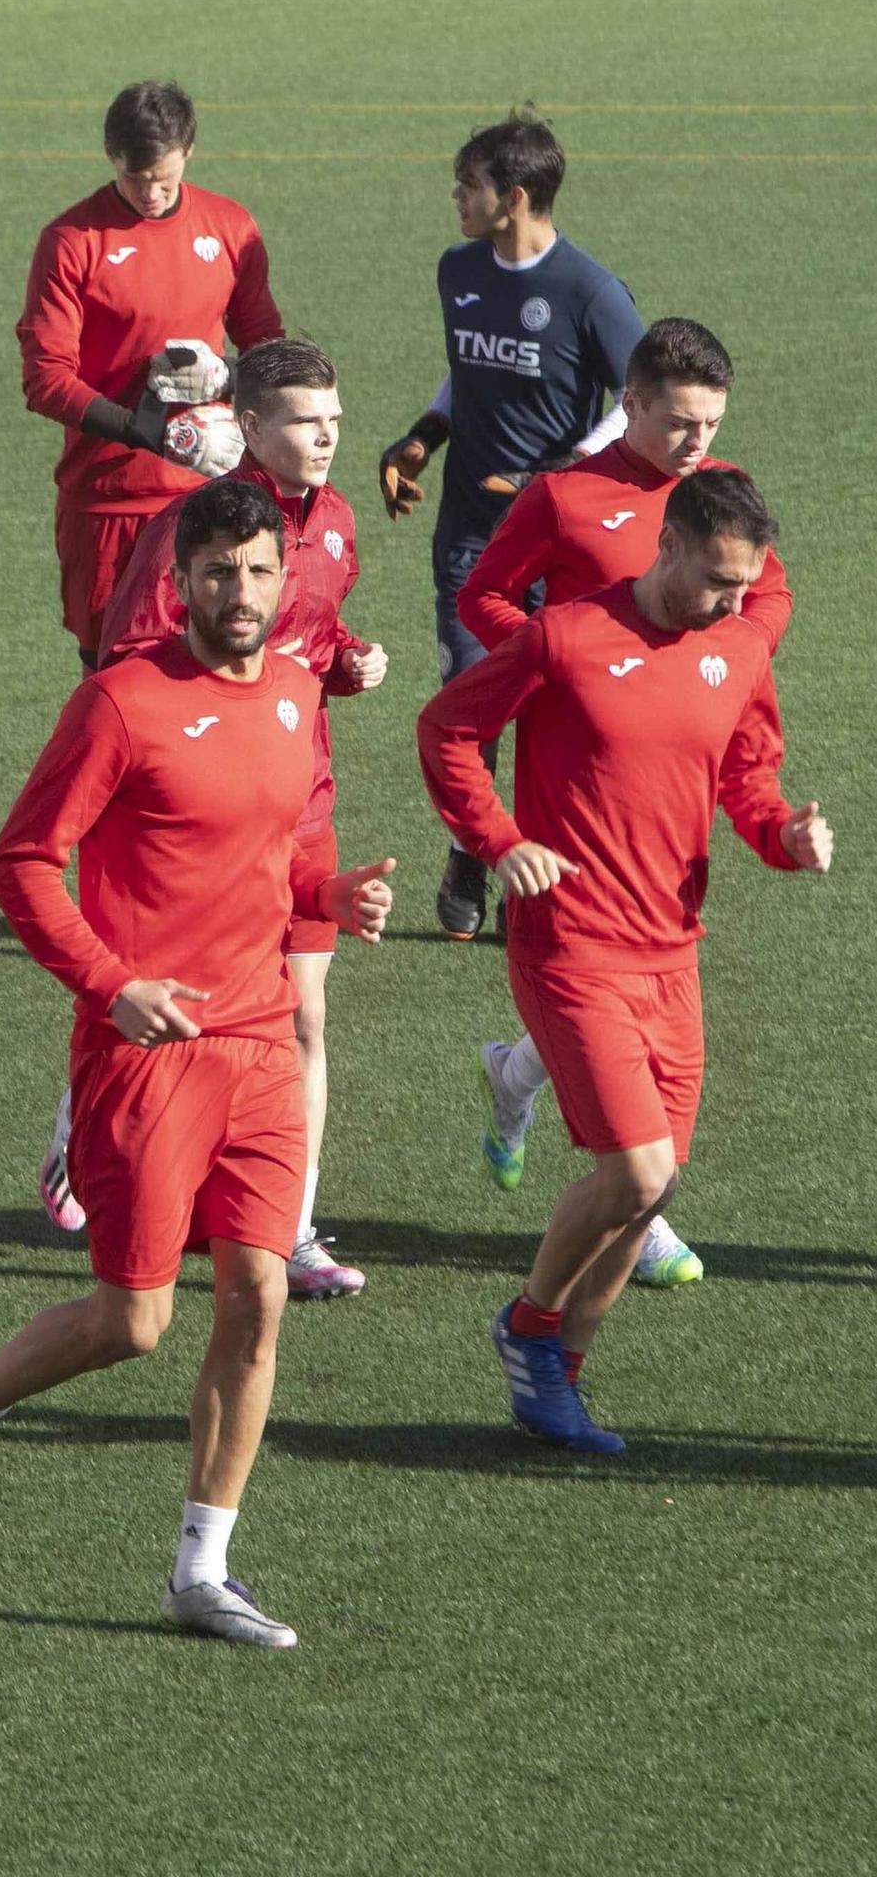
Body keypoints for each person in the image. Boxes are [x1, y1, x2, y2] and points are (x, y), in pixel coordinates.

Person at [0, 479, 394, 1645]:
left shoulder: (294, 692)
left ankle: (201, 1569)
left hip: (263, 1040)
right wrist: (111, 985)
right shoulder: (123, 702)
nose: (242, 592)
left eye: (262, 570)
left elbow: (272, 857)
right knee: (133, 1322)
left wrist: (329, 895)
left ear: (285, 574)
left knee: (259, 1293)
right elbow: (21, 863)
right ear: (182, 580)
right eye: (219, 571)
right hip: (146, 1052)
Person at [416, 471, 831, 1453]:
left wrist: (785, 837)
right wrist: (498, 837)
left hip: (671, 953)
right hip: (569, 944)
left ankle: (558, 1380)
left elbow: (748, 778)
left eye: (748, 584)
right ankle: (527, 1323)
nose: (737, 602)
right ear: (670, 546)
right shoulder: (563, 636)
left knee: (656, 1184)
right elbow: (448, 731)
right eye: (721, 579)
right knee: (634, 1169)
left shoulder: (735, 645)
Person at [457, 318, 795, 1290]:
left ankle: (519, 1080)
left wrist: (725, 653)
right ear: (634, 404)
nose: (699, 442)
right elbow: (486, 594)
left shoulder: (720, 503)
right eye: (682, 422)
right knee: (586, 970)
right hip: (584, 749)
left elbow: (771, 597)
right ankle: (630, 1199)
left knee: (625, 991)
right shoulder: (567, 496)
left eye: (713, 423)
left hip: (678, 734)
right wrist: (557, 662)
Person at [83, 336, 387, 1301]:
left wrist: (347, 661)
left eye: (334, 420)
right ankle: (94, 1128)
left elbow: (318, 631)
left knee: (302, 1016)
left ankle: (288, 1227)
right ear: (246, 425)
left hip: (303, 806)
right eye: (304, 420)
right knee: (189, 1007)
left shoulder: (335, 520)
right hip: (198, 818)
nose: (325, 437)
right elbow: (125, 652)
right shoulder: (197, 528)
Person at [377, 109, 645, 940]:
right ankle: (473, 850)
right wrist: (422, 434)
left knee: (559, 707)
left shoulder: (590, 292)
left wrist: (560, 472)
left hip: (561, 539)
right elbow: (465, 370)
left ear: (515, 196)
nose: (454, 197)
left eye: (468, 185)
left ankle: (550, 870)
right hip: (470, 528)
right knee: (472, 692)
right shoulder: (457, 268)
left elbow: (639, 402)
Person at [17, 79, 284, 667]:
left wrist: (225, 377)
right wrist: (147, 431)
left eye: (164, 177)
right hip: (107, 502)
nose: (152, 193)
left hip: (210, 496)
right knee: (110, 678)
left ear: (189, 150)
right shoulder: (71, 242)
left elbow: (271, 352)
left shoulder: (230, 228)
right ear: (111, 156)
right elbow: (45, 377)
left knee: (221, 669)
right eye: (136, 179)